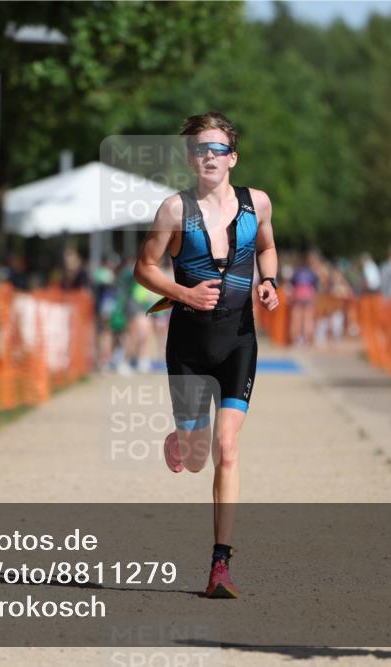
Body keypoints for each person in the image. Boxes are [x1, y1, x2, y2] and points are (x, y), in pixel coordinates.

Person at [134, 111, 279, 598]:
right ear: (191, 159)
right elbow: (143, 269)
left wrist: (270, 282)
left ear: (232, 158)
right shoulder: (174, 210)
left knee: (227, 448)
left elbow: (267, 249)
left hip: (238, 339)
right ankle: (181, 439)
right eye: (200, 150)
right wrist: (184, 293)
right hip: (189, 345)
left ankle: (221, 564)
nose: (209, 157)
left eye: (217, 149)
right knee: (197, 459)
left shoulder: (257, 203)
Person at [289, 253, 319, 346]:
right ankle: (307, 339)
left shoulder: (296, 271)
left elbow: (292, 284)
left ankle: (296, 339)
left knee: (297, 318)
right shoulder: (312, 272)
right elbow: (316, 286)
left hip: (298, 295)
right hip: (309, 295)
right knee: (308, 318)